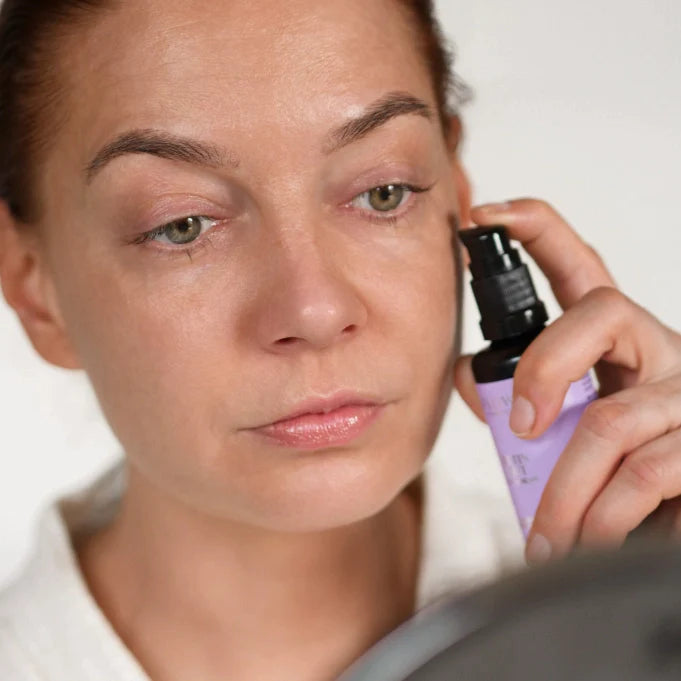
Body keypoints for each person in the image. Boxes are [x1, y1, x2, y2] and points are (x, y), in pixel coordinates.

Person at [1, 0, 680, 679]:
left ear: (455, 194)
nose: (317, 308)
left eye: (383, 192)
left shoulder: (636, 600)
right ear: (35, 288)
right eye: (181, 225)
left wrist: (652, 608)